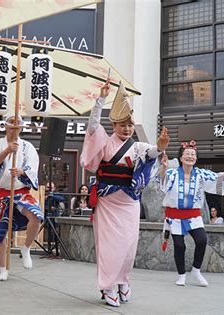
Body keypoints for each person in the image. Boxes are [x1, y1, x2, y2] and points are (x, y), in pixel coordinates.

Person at [80, 80, 169, 307]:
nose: (127, 129)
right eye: (122, 125)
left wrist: (159, 147)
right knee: (110, 247)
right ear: (114, 125)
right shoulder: (104, 142)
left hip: (129, 203)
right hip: (108, 203)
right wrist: (100, 100)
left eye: (130, 125)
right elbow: (92, 128)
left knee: (129, 246)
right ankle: (108, 286)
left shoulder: (137, 146)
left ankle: (123, 280)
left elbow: (150, 153)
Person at [160, 141, 224, 287]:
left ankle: (196, 270)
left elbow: (218, 178)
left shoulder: (200, 174)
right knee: (179, 246)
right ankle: (181, 275)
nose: (190, 156)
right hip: (174, 216)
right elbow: (162, 181)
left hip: (193, 215)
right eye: (187, 154)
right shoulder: (172, 173)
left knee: (201, 240)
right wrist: (164, 167)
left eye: (193, 154)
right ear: (181, 158)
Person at [0, 114, 43, 281]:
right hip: (1, 193)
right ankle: (3, 269)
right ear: (6, 126)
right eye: (12, 124)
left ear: (22, 128)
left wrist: (22, 172)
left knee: (36, 216)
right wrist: (7, 151)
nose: (15, 128)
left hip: (21, 192)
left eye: (18, 125)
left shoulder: (27, 147)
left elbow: (33, 167)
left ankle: (26, 248)